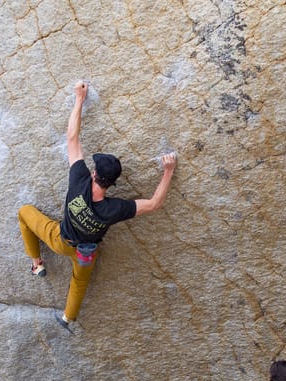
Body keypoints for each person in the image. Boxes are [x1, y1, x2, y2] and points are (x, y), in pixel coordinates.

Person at [17, 80, 177, 329]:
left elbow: (72, 138)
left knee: (24, 213)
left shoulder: (78, 179)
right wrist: (168, 171)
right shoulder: (114, 209)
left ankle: (37, 264)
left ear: (93, 173)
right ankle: (68, 318)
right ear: (112, 184)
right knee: (79, 283)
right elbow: (154, 204)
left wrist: (79, 99)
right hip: (85, 253)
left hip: (60, 239)